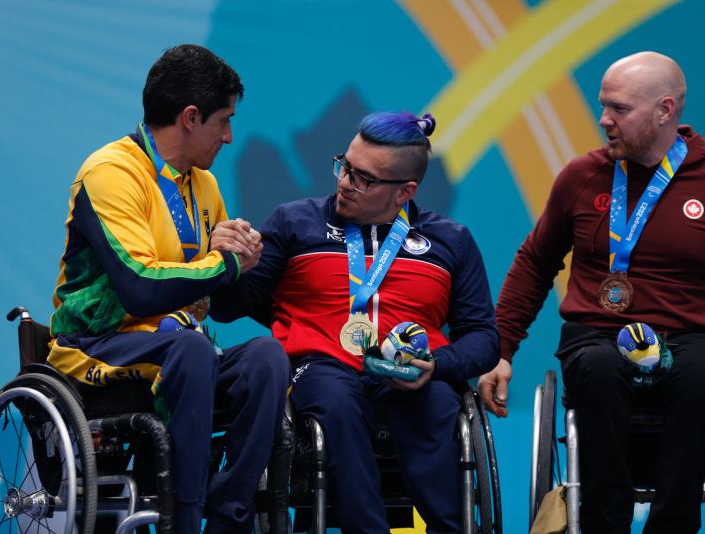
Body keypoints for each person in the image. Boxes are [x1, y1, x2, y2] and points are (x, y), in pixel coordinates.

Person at [478, 51, 705, 533]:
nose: (604, 120)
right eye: (603, 105)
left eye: (619, 109)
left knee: (701, 376)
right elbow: (535, 263)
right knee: (600, 370)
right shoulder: (581, 177)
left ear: (665, 110)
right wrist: (499, 349)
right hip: (598, 333)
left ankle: (673, 526)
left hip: (691, 337)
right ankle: (606, 525)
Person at [213, 111, 500, 533]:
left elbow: (482, 338)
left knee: (439, 403)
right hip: (323, 368)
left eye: (364, 179)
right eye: (344, 166)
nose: (345, 182)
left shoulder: (450, 240)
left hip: (412, 373)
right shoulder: (295, 223)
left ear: (405, 191)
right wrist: (229, 263)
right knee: (336, 404)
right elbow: (228, 307)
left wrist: (435, 366)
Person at [46, 44, 290, 533]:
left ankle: (231, 515)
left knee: (266, 358)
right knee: (192, 349)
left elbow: (220, 302)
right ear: (190, 117)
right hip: (97, 344)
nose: (229, 136)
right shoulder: (111, 173)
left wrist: (254, 262)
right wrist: (224, 264)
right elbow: (141, 289)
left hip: (177, 349)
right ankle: (184, 519)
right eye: (223, 121)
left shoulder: (205, 186)